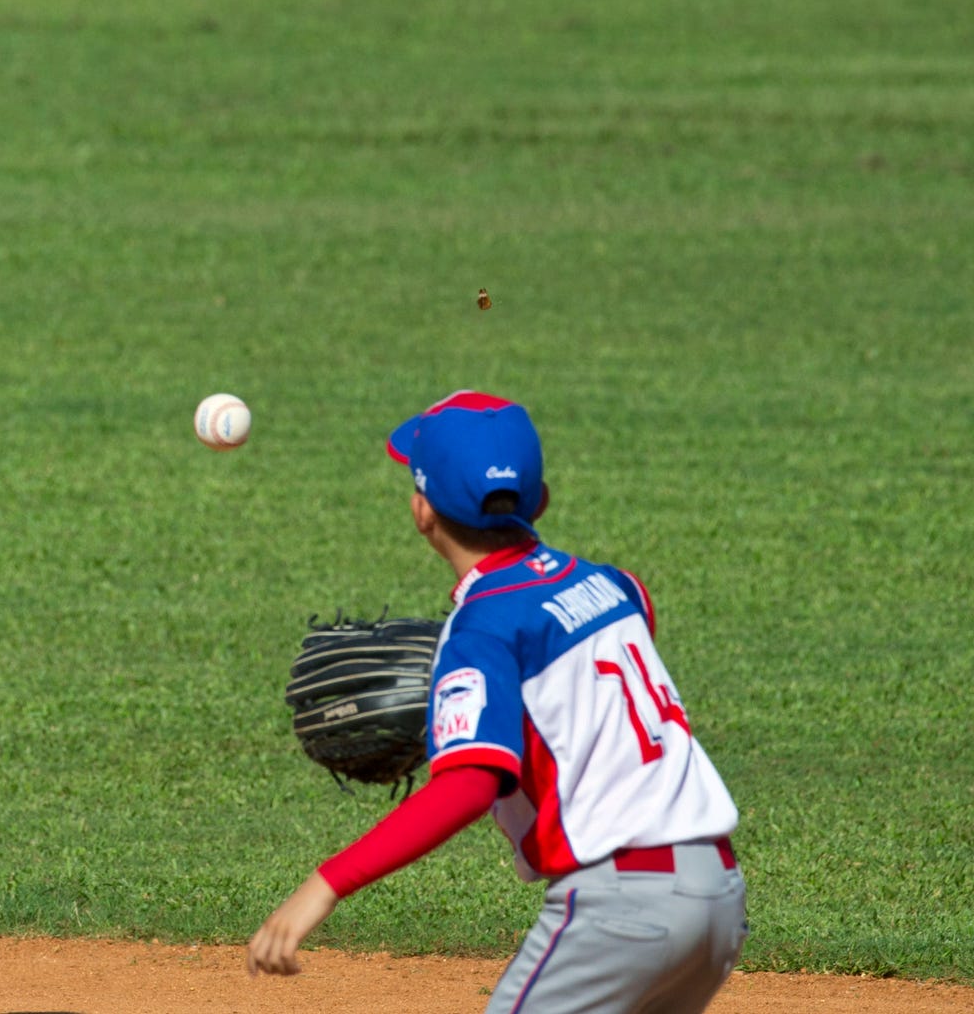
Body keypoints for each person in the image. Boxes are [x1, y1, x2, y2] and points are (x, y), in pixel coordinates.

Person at [247, 391, 746, 1013]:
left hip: (622, 912)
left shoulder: (481, 629)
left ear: (421, 511)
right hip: (718, 897)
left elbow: (469, 785)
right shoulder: (618, 586)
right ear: (541, 500)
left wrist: (323, 886)